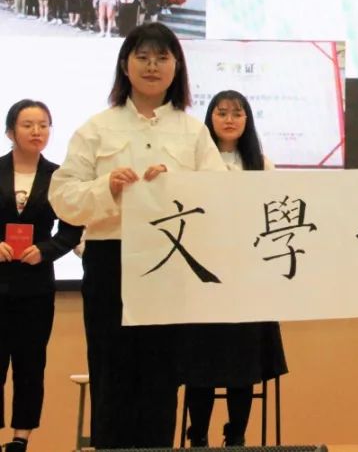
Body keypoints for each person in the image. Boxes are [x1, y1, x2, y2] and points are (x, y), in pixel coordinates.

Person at [49, 23, 229, 449]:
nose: (152, 66)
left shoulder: (193, 132)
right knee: (110, 375)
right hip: (111, 263)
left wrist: (177, 186)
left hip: (169, 266)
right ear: (125, 65)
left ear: (176, 67)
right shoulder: (97, 128)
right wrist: (106, 187)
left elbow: (220, 196)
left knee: (161, 378)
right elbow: (62, 197)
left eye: (162, 58)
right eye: (142, 57)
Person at [178, 91, 288, 447]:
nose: (229, 120)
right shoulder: (193, 160)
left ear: (247, 120)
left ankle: (236, 436)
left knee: (244, 363)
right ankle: (198, 437)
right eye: (221, 112)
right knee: (201, 363)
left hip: (247, 279)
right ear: (209, 118)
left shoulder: (262, 164)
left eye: (237, 113)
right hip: (202, 277)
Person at [0, 100, 82, 452]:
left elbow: (72, 229)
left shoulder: (58, 176)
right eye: (28, 125)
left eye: (43, 125)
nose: (37, 131)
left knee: (31, 365)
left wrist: (46, 250)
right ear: (10, 132)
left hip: (35, 286)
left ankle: (21, 439)